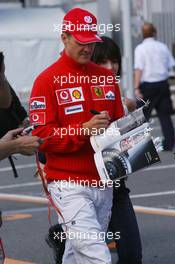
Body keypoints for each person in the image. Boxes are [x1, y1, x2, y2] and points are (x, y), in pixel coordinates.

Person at [29, 7, 124, 264]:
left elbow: (119, 124)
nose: (88, 48)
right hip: (67, 184)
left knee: (76, 253)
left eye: (91, 42)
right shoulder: (46, 80)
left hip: (105, 182)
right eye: (81, 41)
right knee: (96, 255)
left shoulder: (106, 77)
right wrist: (83, 130)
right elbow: (42, 137)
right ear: (64, 37)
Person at [92, 36, 142, 264]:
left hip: (116, 185)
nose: (111, 67)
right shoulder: (78, 91)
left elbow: (130, 142)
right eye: (103, 61)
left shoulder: (117, 93)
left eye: (114, 61)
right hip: (82, 189)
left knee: (132, 254)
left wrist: (131, 117)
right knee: (88, 254)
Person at [134, 22, 175, 151]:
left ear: (142, 34)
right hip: (163, 84)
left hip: (147, 86)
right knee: (165, 116)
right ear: (154, 32)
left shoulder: (140, 48)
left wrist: (136, 87)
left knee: (142, 116)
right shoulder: (162, 47)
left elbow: (139, 69)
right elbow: (170, 64)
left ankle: (139, 145)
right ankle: (170, 143)